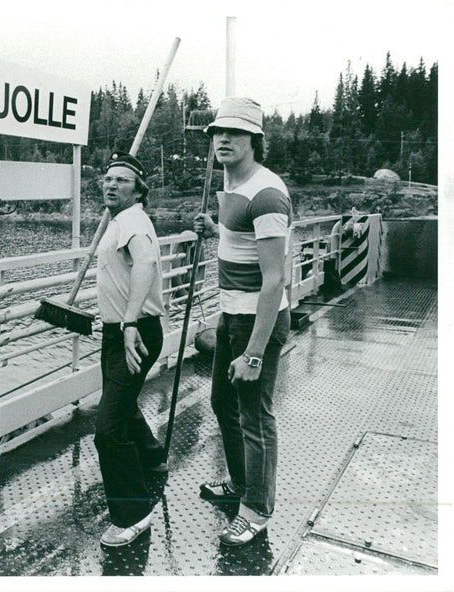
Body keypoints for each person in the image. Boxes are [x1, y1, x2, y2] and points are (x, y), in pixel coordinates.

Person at [192, 97, 292, 547]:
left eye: (235, 133)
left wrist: (253, 353)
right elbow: (241, 240)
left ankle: (257, 510)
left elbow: (275, 281)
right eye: (217, 132)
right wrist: (216, 228)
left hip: (259, 323)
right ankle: (239, 483)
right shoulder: (232, 185)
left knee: (255, 416)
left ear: (255, 140)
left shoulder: (267, 194)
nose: (223, 139)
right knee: (221, 403)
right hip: (232, 314)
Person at [94, 151, 167, 547]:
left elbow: (145, 264)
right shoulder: (120, 220)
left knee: (107, 430)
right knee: (119, 402)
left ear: (139, 189)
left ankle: (134, 514)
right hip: (118, 330)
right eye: (108, 178)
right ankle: (152, 456)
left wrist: (129, 322)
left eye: (122, 180)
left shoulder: (134, 220)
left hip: (133, 333)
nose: (111, 184)